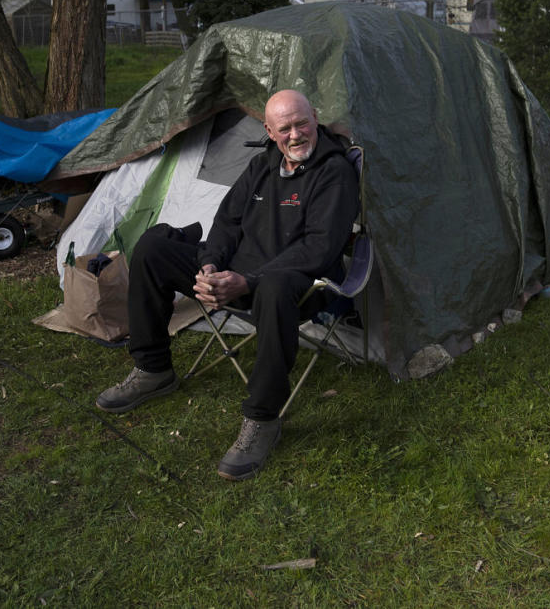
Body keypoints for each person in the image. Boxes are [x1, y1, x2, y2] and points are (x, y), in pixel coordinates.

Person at [95, 89, 359, 481]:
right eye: (284, 128)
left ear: (315, 118)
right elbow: (227, 223)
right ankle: (153, 369)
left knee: (272, 287)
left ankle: (263, 418)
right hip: (234, 274)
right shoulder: (262, 165)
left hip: (296, 286)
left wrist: (247, 280)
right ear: (269, 131)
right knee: (153, 246)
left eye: (302, 123)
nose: (296, 135)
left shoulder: (333, 172)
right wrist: (209, 266)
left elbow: (319, 248)